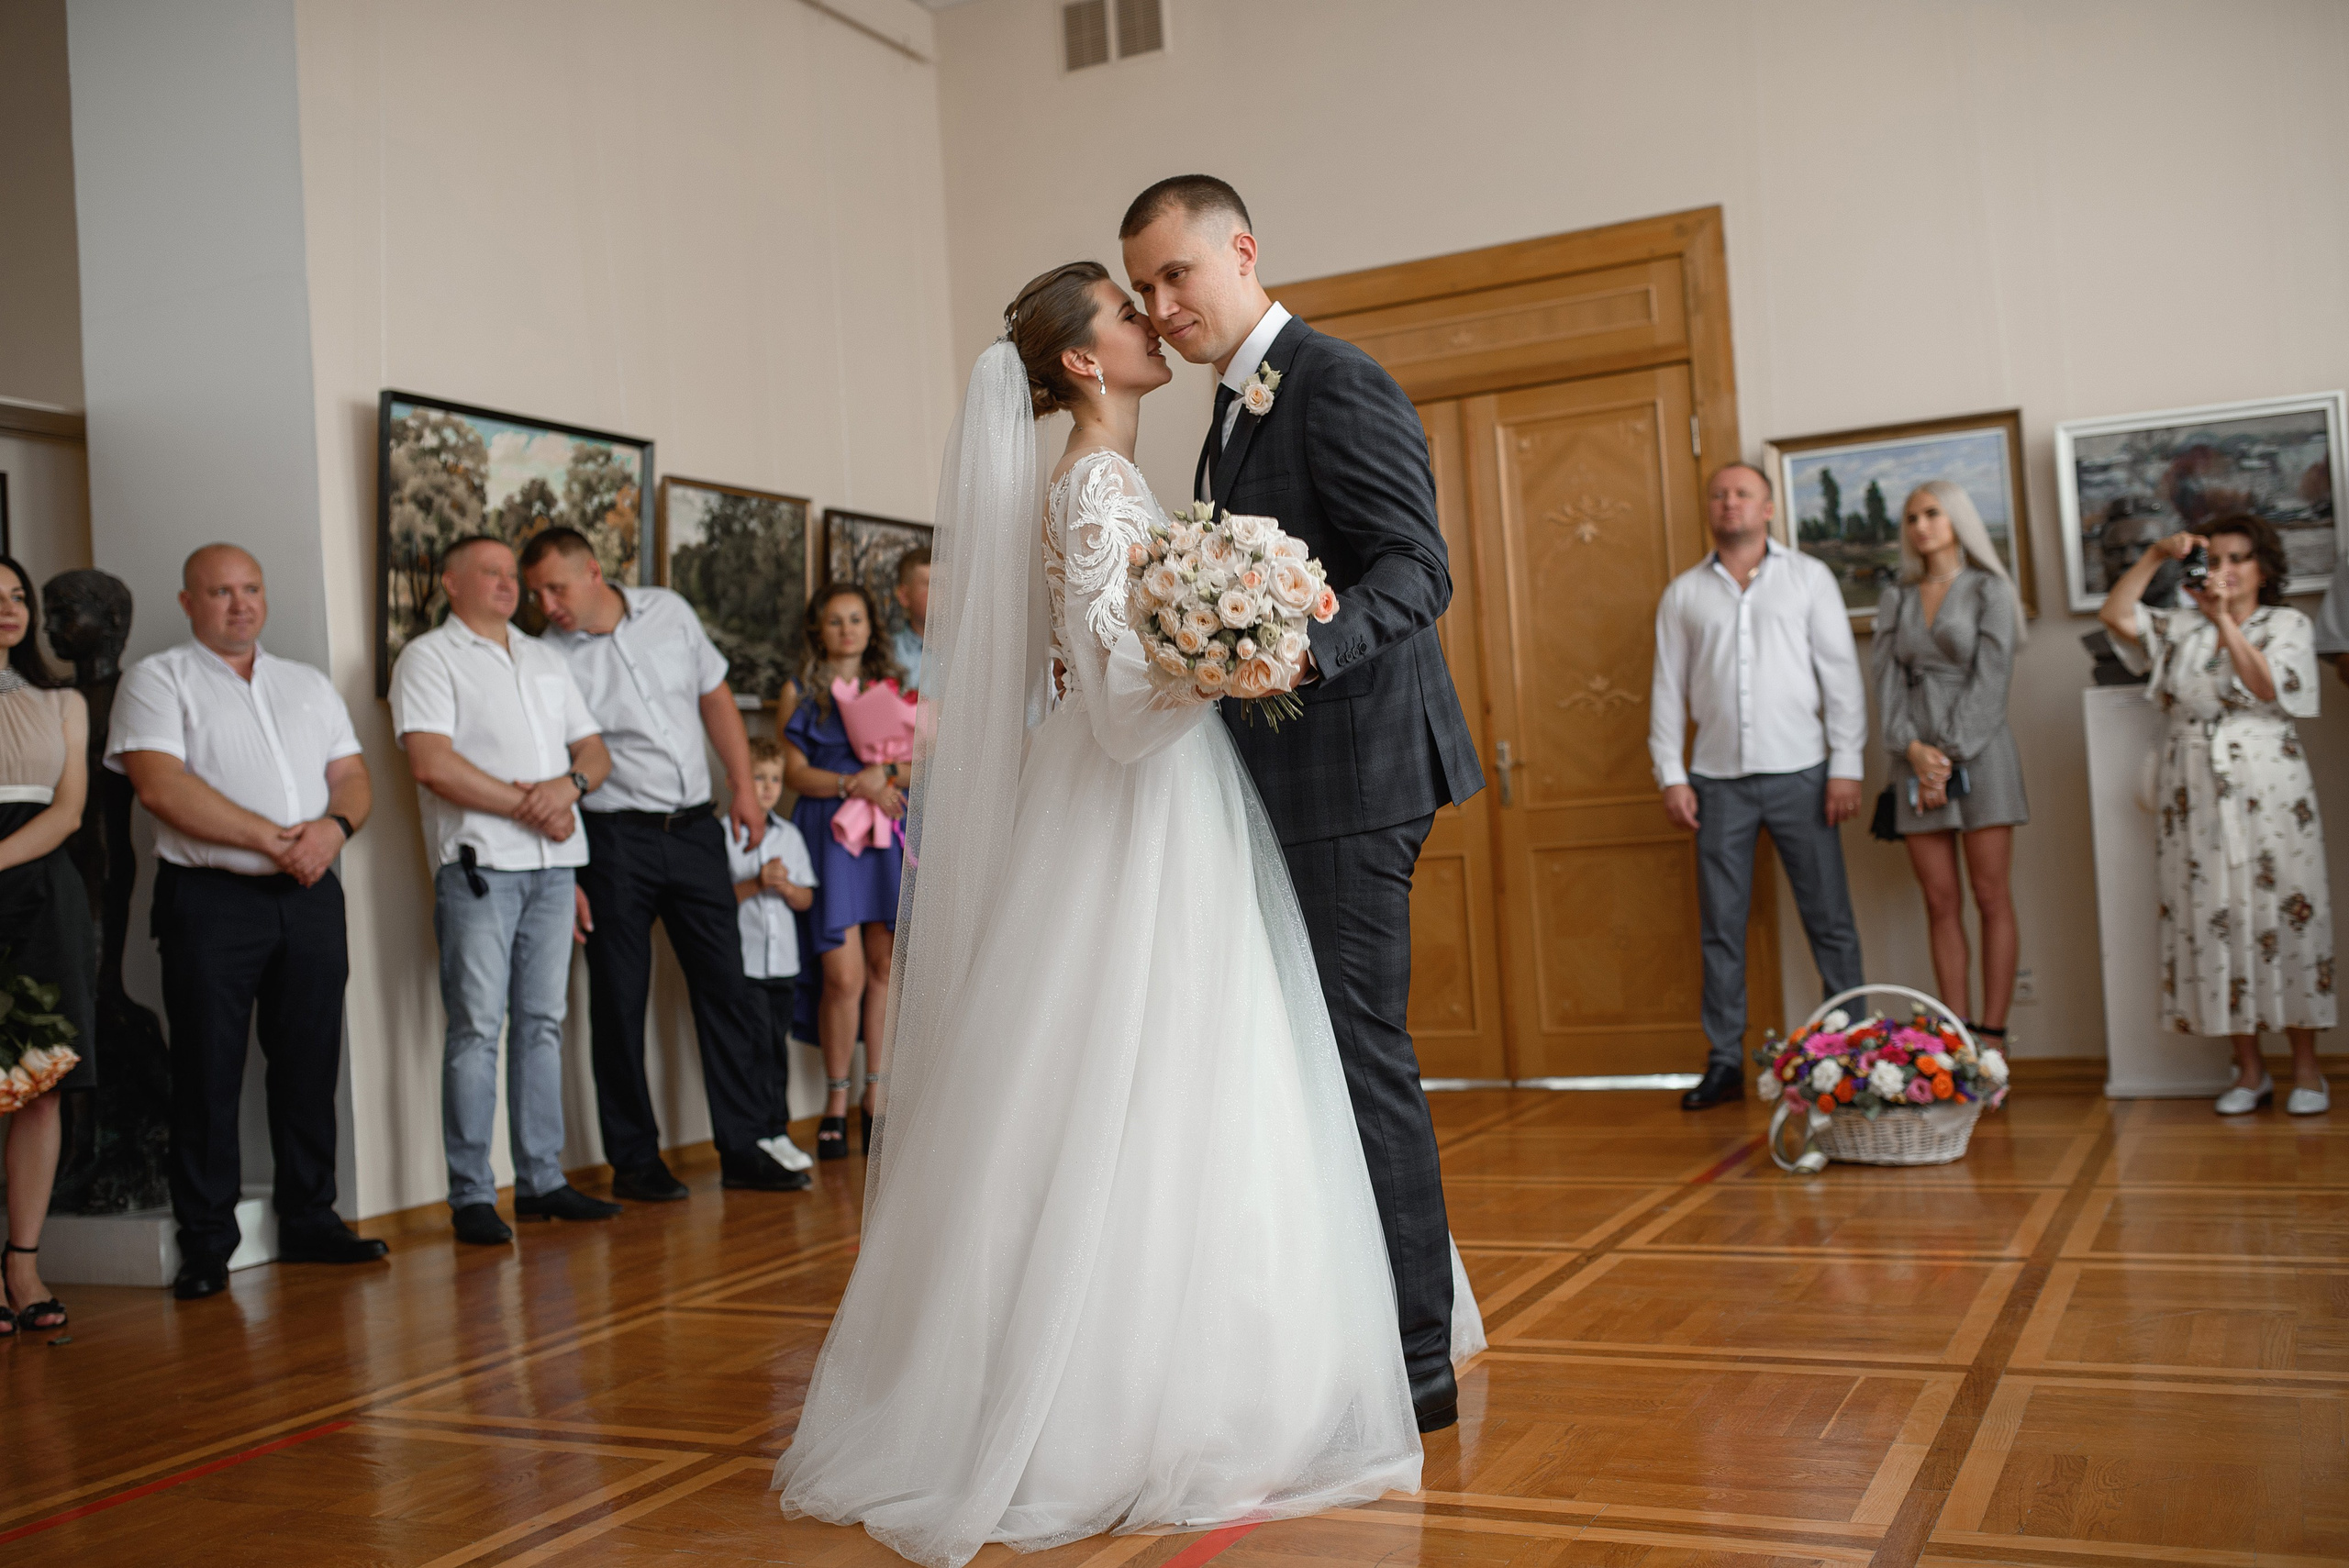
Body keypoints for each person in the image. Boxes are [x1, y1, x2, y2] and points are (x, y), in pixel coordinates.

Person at [772, 263, 1480, 1568]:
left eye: (1157, 291)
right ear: (1085, 364)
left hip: (1165, 804)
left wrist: (1217, 647)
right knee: (1151, 1079)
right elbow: (1113, 706)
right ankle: (1141, 1386)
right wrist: (1233, 660)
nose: (1150, 319)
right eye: (1122, 307)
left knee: (1181, 1076)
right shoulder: (1097, 485)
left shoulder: (1114, 474)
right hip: (1140, 805)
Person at [1122, 174, 1483, 1431]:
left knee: (1359, 1053)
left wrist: (1303, 652)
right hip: (1286, 775)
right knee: (1313, 1059)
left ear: (1243, 251)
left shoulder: (1333, 379)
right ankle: (1352, 1317)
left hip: (1357, 770)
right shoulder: (1230, 411)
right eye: (1147, 290)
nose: (1164, 307)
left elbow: (1417, 566)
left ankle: (1418, 1355)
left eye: (1180, 276)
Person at [108, 545, 384, 1300]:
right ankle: (206, 1241)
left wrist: (331, 830)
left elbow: (352, 777)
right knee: (207, 1068)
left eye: (251, 588)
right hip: (211, 898)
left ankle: (310, 1218)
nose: (240, 604)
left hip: (312, 895)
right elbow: (161, 787)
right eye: (221, 591)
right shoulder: (158, 679)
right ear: (188, 600)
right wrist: (273, 839)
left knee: (308, 1060)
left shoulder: (308, 683)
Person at [521, 528, 808, 1197]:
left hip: (695, 830)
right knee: (619, 999)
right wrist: (567, 870)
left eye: (556, 587)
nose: (546, 603)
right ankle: (635, 1161)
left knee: (727, 988)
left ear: (593, 570)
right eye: (536, 592)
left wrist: (742, 785)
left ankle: (744, 1146)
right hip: (613, 840)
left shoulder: (669, 612)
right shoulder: (543, 657)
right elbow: (544, 759)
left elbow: (714, 697)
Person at [390, 536, 622, 1244]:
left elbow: (595, 751)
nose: (505, 584)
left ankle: (543, 1180)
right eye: (487, 572)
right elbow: (432, 764)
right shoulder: (429, 657)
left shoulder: (545, 657)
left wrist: (568, 787)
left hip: (555, 869)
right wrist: (532, 803)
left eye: (508, 574)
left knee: (542, 1024)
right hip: (480, 867)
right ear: (451, 582)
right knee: (476, 1030)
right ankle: (470, 1193)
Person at [1650, 462, 1868, 1111]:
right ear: (1711, 509)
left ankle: (1854, 1052)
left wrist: (1846, 764)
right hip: (1717, 783)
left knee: (1829, 918)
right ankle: (1723, 1062)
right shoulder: (1684, 594)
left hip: (1805, 774)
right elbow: (1667, 691)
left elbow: (1840, 675)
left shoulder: (1809, 579)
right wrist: (1671, 774)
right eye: (1720, 494)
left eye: (1743, 493)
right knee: (1721, 925)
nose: (1730, 502)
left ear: (1768, 508)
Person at [2099, 515, 2333, 1115]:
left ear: (2263, 567)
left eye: (2239, 559)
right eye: (2215, 560)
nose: (2225, 572)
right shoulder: (2178, 626)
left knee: (2287, 911)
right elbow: (2115, 616)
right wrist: (2155, 555)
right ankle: (2248, 1068)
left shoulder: (2286, 624)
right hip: (2194, 788)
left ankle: (2308, 1067)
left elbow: (2265, 687)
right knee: (2217, 915)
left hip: (2271, 788)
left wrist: (2225, 619)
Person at [1872, 481, 2031, 1049]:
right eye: (1912, 517)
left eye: (1933, 513)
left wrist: (1950, 755)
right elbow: (1886, 683)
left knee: (1992, 897)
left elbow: (1993, 680)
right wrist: (1912, 751)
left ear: (1957, 519)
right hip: (1913, 759)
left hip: (1982, 754)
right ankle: (1954, 1039)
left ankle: (1992, 1036)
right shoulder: (1897, 597)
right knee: (1939, 900)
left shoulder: (1989, 589)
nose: (1921, 526)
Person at [779, 583, 905, 1160]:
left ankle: (874, 1096)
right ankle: (834, 1099)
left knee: (883, 966)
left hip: (881, 832)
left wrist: (889, 778)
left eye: (856, 619)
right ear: (818, 629)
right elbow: (794, 775)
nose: (847, 629)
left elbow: (916, 755)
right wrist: (853, 783)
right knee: (843, 977)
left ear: (869, 626)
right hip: (829, 833)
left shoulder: (892, 685)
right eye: (835, 621)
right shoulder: (798, 691)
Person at [0, 555, 91, 1335]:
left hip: (38, 891)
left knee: (38, 1083)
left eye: (17, 596)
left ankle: (22, 1263)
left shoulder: (63, 702)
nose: (9, 608)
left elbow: (67, 814)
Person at [727, 738, 818, 1165]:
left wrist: (784, 887)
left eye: (774, 779)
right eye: (757, 778)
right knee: (753, 1047)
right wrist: (757, 883)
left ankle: (777, 1130)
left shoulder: (791, 836)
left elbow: (806, 900)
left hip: (783, 966)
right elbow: (715, 903)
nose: (767, 788)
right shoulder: (723, 836)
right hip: (744, 966)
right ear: (736, 780)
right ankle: (758, 1132)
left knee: (775, 1048)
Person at [891, 547, 930, 694]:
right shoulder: (886, 653)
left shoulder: (970, 654)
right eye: (932, 584)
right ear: (904, 596)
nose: (944, 593)